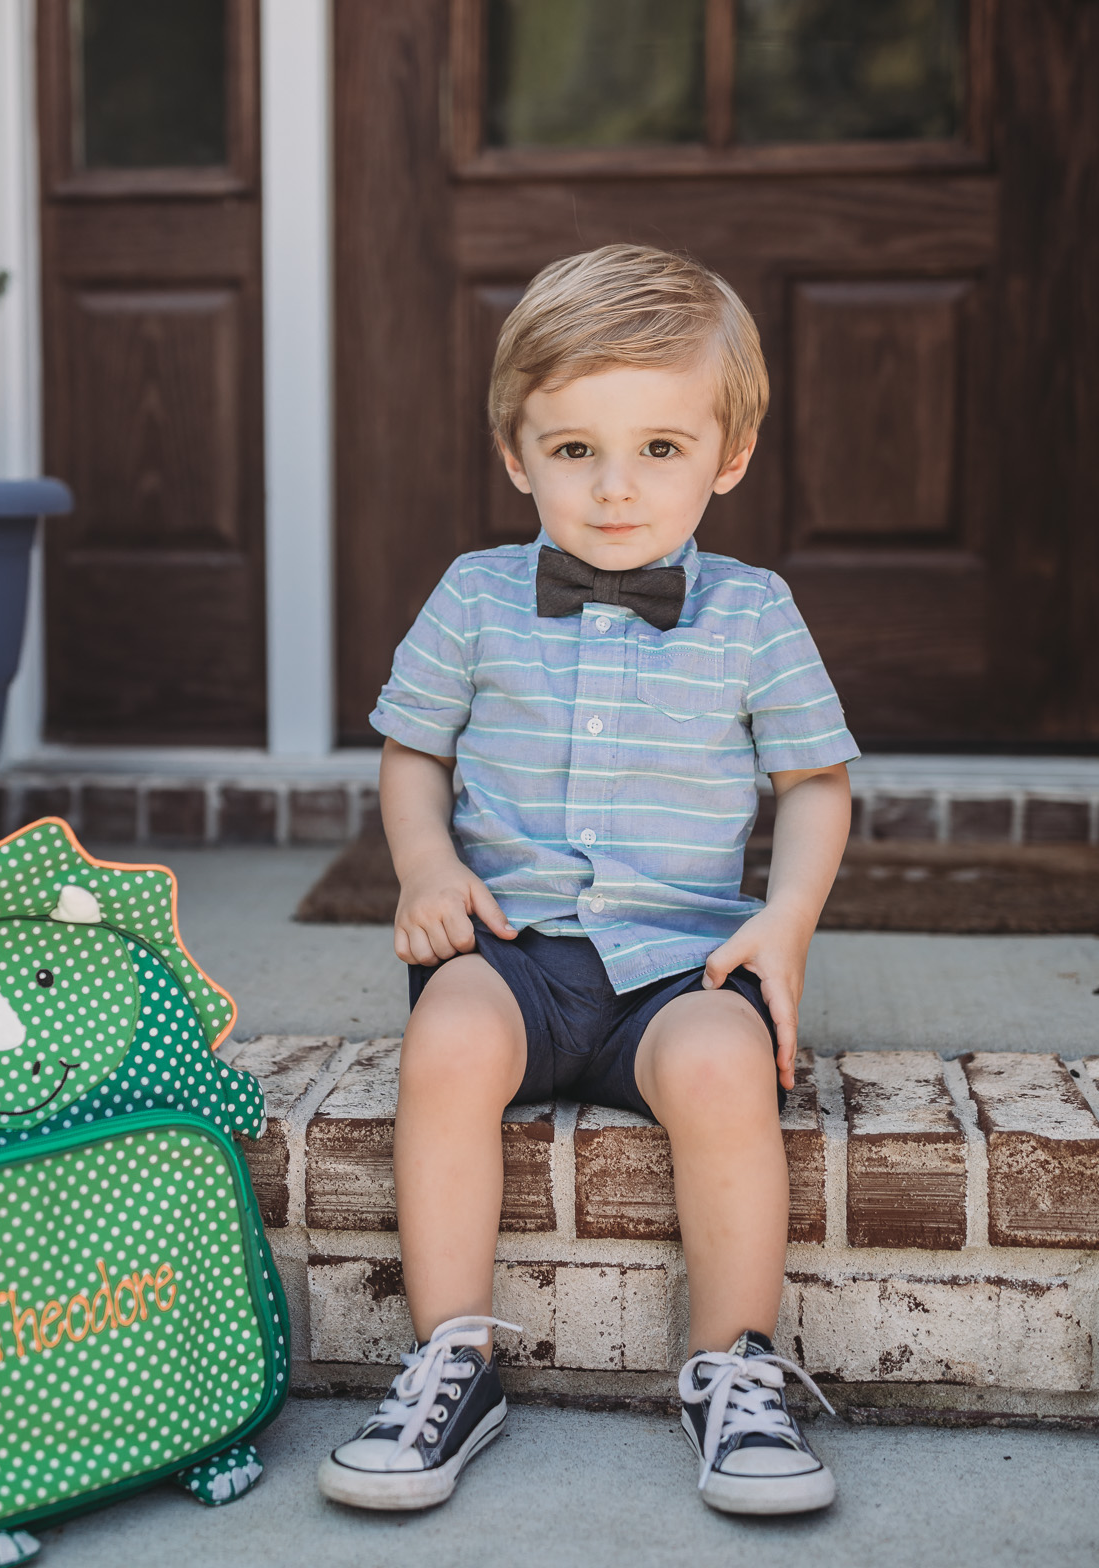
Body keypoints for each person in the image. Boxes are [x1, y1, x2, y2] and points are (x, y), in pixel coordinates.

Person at [317, 243, 856, 1518]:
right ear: (516, 453)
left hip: (683, 965)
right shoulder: (474, 596)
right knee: (444, 1036)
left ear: (727, 456)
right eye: (574, 452)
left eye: (660, 450)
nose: (615, 491)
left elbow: (815, 783)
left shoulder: (752, 611)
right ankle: (454, 1355)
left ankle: (735, 1368)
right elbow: (411, 752)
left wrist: (782, 924)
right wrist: (425, 862)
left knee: (725, 1067)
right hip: (514, 951)